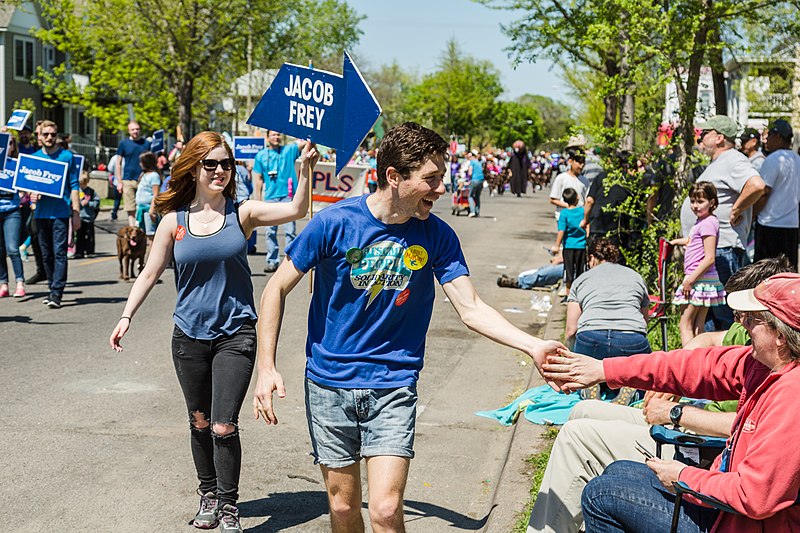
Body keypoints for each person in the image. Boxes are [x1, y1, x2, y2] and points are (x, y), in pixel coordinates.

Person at [252, 122, 565, 533]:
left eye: (442, 178)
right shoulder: (333, 223)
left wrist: (532, 346)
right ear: (394, 177)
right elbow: (274, 289)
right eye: (431, 179)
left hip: (393, 385)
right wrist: (267, 367)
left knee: (383, 510)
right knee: (344, 508)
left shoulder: (437, 235)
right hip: (328, 384)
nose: (440, 189)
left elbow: (470, 307)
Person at [109, 131, 319, 533]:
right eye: (212, 164)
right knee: (200, 422)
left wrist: (304, 170)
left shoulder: (242, 214)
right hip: (188, 337)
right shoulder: (174, 221)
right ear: (194, 168)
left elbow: (296, 208)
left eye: (227, 164)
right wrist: (126, 316)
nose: (221, 170)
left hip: (235, 335)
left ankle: (228, 506)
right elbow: (150, 272)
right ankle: (208, 493)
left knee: (224, 424)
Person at [527, 256, 792, 533]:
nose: (742, 325)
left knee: (600, 493)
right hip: (718, 494)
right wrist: (604, 369)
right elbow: (694, 366)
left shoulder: (789, 395)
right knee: (616, 472)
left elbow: (755, 495)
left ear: (780, 335)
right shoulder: (762, 363)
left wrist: (683, 471)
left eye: (751, 319)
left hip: (727, 518)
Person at [692, 115, 765, 330]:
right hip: (715, 249)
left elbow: (757, 185)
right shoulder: (720, 162)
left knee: (725, 317)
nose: (701, 138)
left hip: (724, 250)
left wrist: (736, 209)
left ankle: (728, 361)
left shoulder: (733, 159)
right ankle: (714, 362)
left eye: (705, 133)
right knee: (713, 318)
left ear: (719, 137)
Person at [30, 120, 81, 309]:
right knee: (46, 254)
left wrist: (76, 212)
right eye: (46, 134)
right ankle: (51, 287)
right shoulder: (34, 158)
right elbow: (28, 187)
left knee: (60, 253)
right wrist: (31, 194)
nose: (49, 137)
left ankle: (57, 292)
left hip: (60, 212)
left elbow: (74, 185)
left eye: (53, 134)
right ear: (40, 136)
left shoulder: (66, 157)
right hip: (41, 214)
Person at [671, 182, 727, 346]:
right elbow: (692, 241)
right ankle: (700, 364)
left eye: (700, 201)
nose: (695, 206)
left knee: (685, 324)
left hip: (698, 279)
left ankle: (686, 364)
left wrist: (690, 280)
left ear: (712, 202)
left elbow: (709, 257)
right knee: (697, 327)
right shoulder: (704, 221)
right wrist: (675, 242)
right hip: (704, 279)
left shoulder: (708, 223)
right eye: (692, 201)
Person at [252, 130, 307, 273]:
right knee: (270, 232)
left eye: (278, 135)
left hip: (288, 197)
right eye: (273, 135)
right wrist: (258, 201)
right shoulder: (261, 155)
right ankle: (272, 261)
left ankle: (290, 262)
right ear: (267, 137)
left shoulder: (289, 150)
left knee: (290, 231)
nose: (276, 137)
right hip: (270, 198)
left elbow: (305, 143)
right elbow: (258, 180)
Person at [753, 119, 800, 268]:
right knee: (788, 273)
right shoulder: (797, 159)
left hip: (770, 224)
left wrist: (752, 213)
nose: (766, 139)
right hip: (792, 225)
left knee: (765, 274)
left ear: (778, 137)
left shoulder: (774, 159)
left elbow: (764, 191)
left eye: (770, 135)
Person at [552, 188, 587, 295]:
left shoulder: (564, 213)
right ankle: (580, 293)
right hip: (581, 246)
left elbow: (561, 231)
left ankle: (569, 294)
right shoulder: (582, 211)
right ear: (577, 197)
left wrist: (557, 245)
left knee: (569, 271)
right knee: (581, 271)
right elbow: (587, 226)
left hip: (569, 246)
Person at [117, 121, 150, 227]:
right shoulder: (124, 144)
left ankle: (143, 228)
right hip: (128, 179)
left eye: (137, 129)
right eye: (133, 129)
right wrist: (119, 181)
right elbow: (118, 163)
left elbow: (152, 161)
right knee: (130, 208)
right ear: (129, 131)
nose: (135, 131)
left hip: (143, 180)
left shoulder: (146, 144)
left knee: (143, 206)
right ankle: (133, 230)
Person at [0, 180, 25, 298]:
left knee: (12, 249)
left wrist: (23, 193)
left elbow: (25, 183)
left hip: (12, 211)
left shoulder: (13, 165)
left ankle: (20, 283)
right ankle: (3, 284)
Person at [134, 151, 162, 250]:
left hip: (148, 210)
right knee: (141, 235)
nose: (140, 164)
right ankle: (142, 261)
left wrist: (152, 210)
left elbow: (156, 194)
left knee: (150, 235)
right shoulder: (143, 174)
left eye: (141, 162)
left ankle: (149, 260)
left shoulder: (154, 176)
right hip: (140, 209)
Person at [549, 150, 587, 221]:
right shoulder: (561, 178)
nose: (582, 165)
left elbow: (586, 200)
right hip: (564, 217)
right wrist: (569, 206)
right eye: (579, 162)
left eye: (583, 163)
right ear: (570, 161)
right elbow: (553, 199)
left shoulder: (585, 181)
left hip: (579, 217)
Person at [74, 172, 100, 259]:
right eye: (80, 184)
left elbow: (97, 203)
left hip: (89, 218)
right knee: (79, 236)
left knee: (89, 236)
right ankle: (79, 252)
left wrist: (88, 203)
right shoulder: (76, 191)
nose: (82, 186)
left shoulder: (91, 192)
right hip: (80, 216)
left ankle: (90, 251)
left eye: (83, 184)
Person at [466, 150, 484, 217]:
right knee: (477, 196)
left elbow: (470, 172)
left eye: (469, 157)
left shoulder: (472, 162)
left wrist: (469, 178)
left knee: (470, 196)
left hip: (475, 180)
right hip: (481, 180)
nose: (469, 158)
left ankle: (472, 211)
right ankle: (477, 212)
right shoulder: (478, 162)